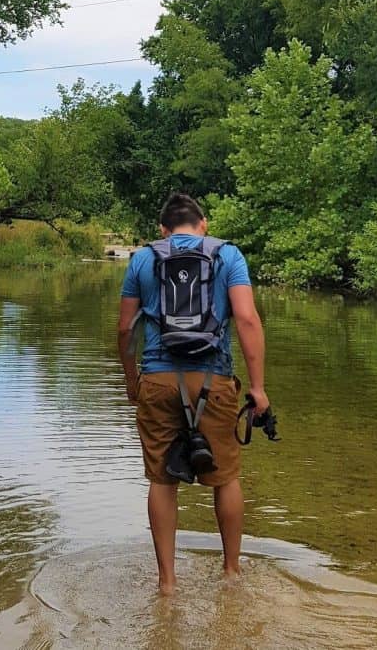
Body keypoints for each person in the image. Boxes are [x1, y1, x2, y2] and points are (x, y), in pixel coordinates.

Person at [117, 192, 268, 596]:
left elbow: (125, 330)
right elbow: (248, 320)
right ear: (203, 224)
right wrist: (257, 388)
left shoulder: (143, 259)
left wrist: (132, 380)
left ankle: (167, 584)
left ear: (163, 229)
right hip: (214, 380)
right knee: (227, 478)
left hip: (158, 379)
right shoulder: (228, 256)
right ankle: (232, 573)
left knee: (162, 480)